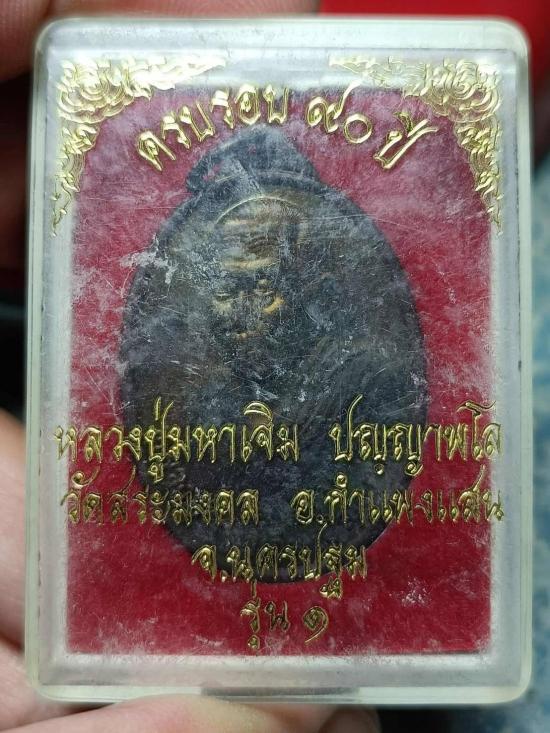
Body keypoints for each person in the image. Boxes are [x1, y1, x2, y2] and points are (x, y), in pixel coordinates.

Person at [0, 1, 380, 731]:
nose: (236, 310)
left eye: (260, 286)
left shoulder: (365, 394)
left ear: (308, 292)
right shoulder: (188, 405)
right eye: (224, 288)